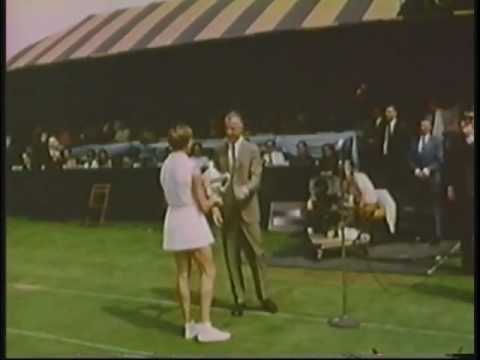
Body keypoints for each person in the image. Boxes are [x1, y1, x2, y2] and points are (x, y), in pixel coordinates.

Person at [160, 124, 230, 342]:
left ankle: (188, 324)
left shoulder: (165, 166)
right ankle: (206, 325)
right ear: (188, 142)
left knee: (183, 273)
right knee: (208, 270)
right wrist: (216, 200)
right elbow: (203, 204)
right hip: (191, 220)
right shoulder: (190, 166)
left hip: (174, 219)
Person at [214, 111, 278, 317]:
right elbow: (215, 177)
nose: (229, 131)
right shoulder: (219, 150)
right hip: (228, 211)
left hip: (248, 209)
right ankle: (239, 299)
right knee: (231, 258)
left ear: (241, 127)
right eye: (227, 128)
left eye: (233, 127)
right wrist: (217, 196)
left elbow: (257, 176)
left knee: (256, 255)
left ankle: (264, 296)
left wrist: (247, 189)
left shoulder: (251, 149)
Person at [445, 111, 474, 274]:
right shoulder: (456, 144)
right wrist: (450, 186)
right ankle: (468, 263)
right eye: (462, 124)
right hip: (463, 190)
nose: (464, 127)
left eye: (467, 124)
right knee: (466, 229)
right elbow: (452, 167)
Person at [409, 118, 444, 244]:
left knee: (434, 207)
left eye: (425, 126)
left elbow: (440, 160)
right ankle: (422, 234)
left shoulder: (436, 142)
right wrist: (415, 169)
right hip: (419, 179)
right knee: (420, 207)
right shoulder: (414, 141)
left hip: (432, 179)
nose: (423, 128)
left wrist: (429, 169)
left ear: (430, 127)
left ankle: (436, 235)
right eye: (421, 126)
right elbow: (410, 159)